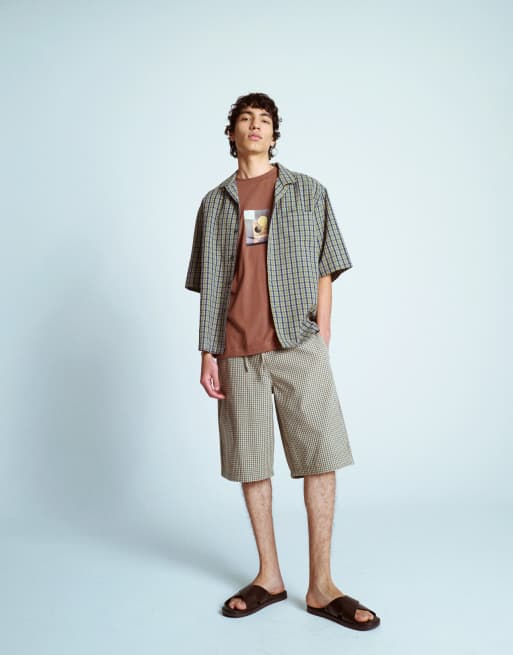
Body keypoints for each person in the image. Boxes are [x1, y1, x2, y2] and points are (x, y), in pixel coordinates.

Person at [185, 92, 380, 631]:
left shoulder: (308, 191)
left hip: (298, 343)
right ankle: (269, 576)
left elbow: (327, 266)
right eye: (245, 119)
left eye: (265, 120)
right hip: (236, 349)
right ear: (232, 134)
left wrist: (323, 331)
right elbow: (211, 286)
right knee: (252, 464)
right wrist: (207, 352)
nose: (255, 126)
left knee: (320, 457)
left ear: (274, 135)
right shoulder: (214, 203)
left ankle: (322, 586)